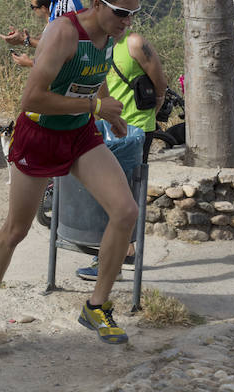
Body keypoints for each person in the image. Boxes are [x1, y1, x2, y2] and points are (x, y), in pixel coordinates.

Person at [0, 0, 143, 354]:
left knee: (125, 212)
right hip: (39, 134)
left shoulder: (110, 35)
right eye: (121, 12)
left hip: (79, 134)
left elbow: (93, 74)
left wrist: (110, 116)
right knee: (16, 231)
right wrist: (96, 105)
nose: (127, 21)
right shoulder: (64, 33)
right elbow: (30, 99)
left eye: (133, 13)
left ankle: (96, 305)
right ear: (98, 4)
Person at [75, 29, 168, 281]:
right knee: (116, 194)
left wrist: (147, 117)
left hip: (135, 131)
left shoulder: (135, 43)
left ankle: (108, 263)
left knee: (118, 196)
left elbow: (160, 85)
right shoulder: (94, 47)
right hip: (107, 129)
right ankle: (125, 252)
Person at [10, 0, 51, 69]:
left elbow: (52, 49)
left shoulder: (55, 25)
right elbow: (44, 41)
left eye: (33, 7)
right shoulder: (54, 22)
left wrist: (29, 63)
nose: (33, 10)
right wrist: (24, 39)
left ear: (43, 8)